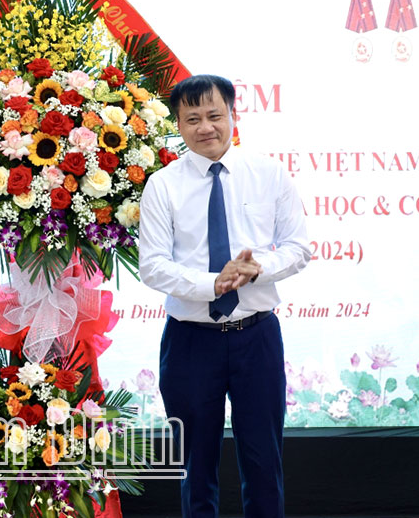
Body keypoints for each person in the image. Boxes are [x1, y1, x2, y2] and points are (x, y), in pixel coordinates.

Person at [138, 74, 310, 517]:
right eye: (192, 118)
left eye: (214, 115)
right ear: (178, 124)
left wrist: (258, 269)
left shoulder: (268, 174)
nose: (205, 127)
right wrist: (212, 284)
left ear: (233, 115)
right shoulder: (162, 184)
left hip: (257, 337)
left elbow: (298, 248)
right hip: (190, 341)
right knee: (195, 467)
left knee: (264, 461)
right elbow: (152, 265)